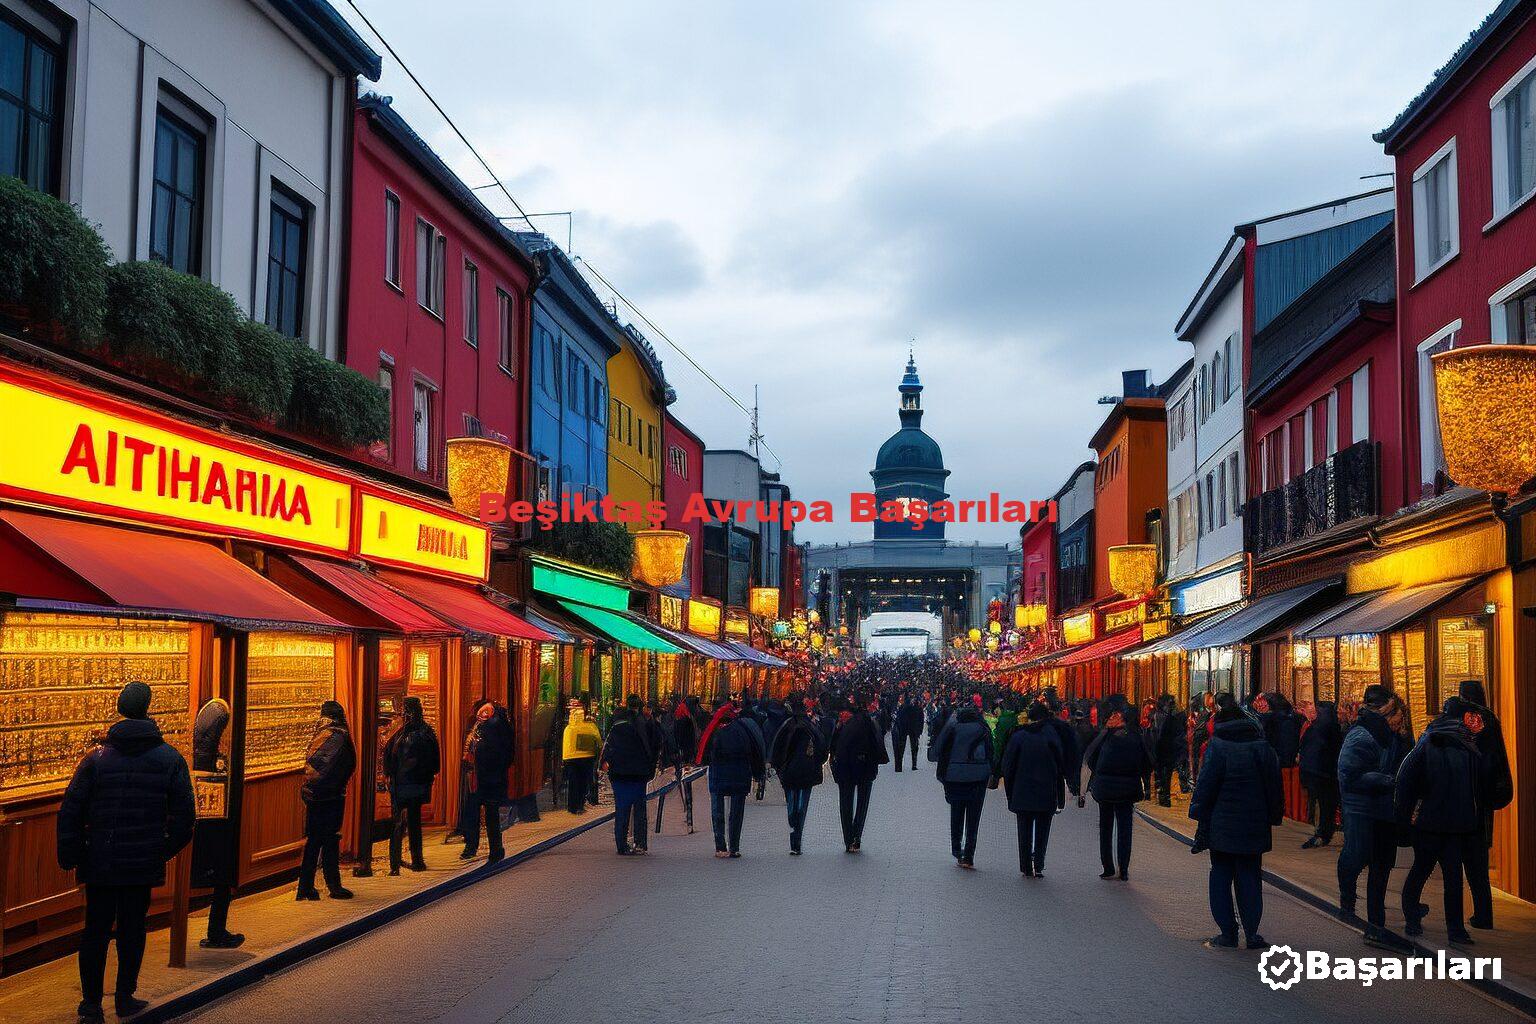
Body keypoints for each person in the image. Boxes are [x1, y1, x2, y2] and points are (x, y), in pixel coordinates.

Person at [57, 682, 195, 1023]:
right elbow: (184, 819)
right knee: (133, 930)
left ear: (120, 710)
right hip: (141, 863)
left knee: (96, 930)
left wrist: (73, 854)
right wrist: (160, 850)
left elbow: (71, 809)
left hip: (100, 860)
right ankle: (124, 997)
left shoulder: (96, 759)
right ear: (148, 709)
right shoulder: (170, 759)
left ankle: (91, 1004)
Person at [1189, 704, 1283, 950]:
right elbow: (1274, 787)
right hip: (1254, 823)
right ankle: (1252, 933)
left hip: (1222, 824)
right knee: (1250, 876)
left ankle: (1228, 933)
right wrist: (1274, 817)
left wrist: (1198, 814)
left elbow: (1206, 785)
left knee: (1220, 876)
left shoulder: (1217, 747)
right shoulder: (1263, 748)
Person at [1396, 698, 1485, 944]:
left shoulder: (1429, 739)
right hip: (1453, 822)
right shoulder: (1465, 744)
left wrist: (1405, 816)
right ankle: (1455, 929)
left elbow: (1406, 780)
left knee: (1422, 870)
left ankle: (1413, 918)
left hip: (1431, 819)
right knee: (1452, 877)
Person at [1335, 686, 1412, 947]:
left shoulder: (1393, 737)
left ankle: (1376, 923)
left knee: (1381, 866)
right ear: (1387, 713)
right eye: (1399, 716)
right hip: (1361, 809)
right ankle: (1348, 900)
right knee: (1356, 857)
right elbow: (1349, 774)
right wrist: (1388, 780)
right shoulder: (1361, 736)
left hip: (1384, 810)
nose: (1401, 722)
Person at [1456, 681, 1512, 930]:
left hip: (1472, 797)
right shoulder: (1490, 719)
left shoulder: (1473, 720)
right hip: (1486, 798)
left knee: (1472, 860)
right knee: (1478, 859)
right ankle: (1483, 913)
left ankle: (1482, 914)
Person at [190, 697, 242, 949]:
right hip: (218, 821)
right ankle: (216, 931)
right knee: (222, 873)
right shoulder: (216, 765)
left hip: (209, 819)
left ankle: (216, 930)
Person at [296, 701, 356, 901]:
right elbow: (330, 767)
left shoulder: (322, 733)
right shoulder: (337, 736)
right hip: (329, 796)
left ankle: (306, 887)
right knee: (329, 840)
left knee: (314, 842)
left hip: (315, 795)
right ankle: (332, 886)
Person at [1000, 702, 1066, 877]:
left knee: (1024, 830)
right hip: (1046, 791)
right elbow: (1060, 767)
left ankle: (1025, 866)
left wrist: (1010, 792)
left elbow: (1008, 766)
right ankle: (1039, 864)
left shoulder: (1018, 737)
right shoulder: (1052, 736)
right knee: (1043, 830)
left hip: (1022, 791)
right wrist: (1060, 795)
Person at [1083, 709, 1150, 880]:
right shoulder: (1135, 737)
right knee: (1125, 829)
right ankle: (1123, 869)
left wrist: (1099, 773)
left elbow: (1091, 758)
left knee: (1105, 828)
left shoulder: (1104, 736)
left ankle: (1108, 867)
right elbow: (1146, 762)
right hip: (1128, 789)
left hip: (1105, 788)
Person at [932, 698, 995, 868]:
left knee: (957, 813)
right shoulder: (983, 728)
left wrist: (943, 774)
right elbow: (991, 752)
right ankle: (969, 855)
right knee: (974, 818)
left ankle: (956, 849)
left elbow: (941, 752)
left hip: (955, 776)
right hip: (978, 777)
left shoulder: (954, 727)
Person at [697, 700, 763, 858]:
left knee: (717, 811)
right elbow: (753, 752)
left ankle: (720, 847)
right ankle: (734, 847)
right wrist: (757, 773)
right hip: (740, 776)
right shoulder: (744, 730)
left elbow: (708, 755)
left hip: (719, 776)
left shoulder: (715, 732)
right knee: (736, 813)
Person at [383, 696, 440, 875]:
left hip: (402, 784)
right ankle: (417, 860)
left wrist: (389, 775)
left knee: (398, 824)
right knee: (414, 823)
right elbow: (435, 762)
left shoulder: (401, 733)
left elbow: (389, 756)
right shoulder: (426, 732)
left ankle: (395, 864)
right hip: (418, 784)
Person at [770, 697, 829, 854]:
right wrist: (816, 764)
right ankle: (797, 838)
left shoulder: (787, 726)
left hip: (789, 772)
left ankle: (793, 826)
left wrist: (778, 767)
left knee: (792, 801)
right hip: (807, 773)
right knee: (802, 805)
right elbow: (822, 749)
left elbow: (777, 748)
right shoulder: (812, 727)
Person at [601, 696, 657, 855]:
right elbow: (654, 745)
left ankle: (621, 844)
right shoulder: (644, 725)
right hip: (638, 774)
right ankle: (640, 843)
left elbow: (609, 750)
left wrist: (606, 765)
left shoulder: (617, 728)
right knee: (639, 810)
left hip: (619, 775)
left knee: (622, 809)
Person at [831, 698, 887, 852]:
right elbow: (878, 745)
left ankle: (849, 839)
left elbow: (833, 747)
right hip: (865, 769)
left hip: (845, 770)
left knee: (846, 804)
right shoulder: (870, 723)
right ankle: (856, 836)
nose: (842, 716)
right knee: (862, 803)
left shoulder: (843, 727)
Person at [461, 701, 513, 863]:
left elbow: (495, 753)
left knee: (482, 813)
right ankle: (494, 849)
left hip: (485, 777)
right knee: (487, 814)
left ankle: (476, 848)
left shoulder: (490, 728)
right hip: (485, 776)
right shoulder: (496, 727)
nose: (480, 715)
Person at [1297, 701, 1343, 849]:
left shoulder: (1316, 728)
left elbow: (1307, 750)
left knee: (1322, 804)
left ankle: (1321, 834)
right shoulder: (1333, 728)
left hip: (1317, 773)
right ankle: (1323, 833)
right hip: (1328, 774)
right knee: (1327, 805)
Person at [561, 701, 602, 814]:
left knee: (573, 782)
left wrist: (564, 759)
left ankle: (572, 806)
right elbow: (598, 741)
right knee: (583, 782)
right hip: (587, 757)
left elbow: (566, 745)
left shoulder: (568, 728)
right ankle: (580, 804)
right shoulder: (590, 726)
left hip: (570, 758)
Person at [1149, 694, 1187, 807]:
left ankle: (1163, 795)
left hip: (1163, 748)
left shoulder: (1160, 716)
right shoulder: (1169, 717)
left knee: (1163, 773)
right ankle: (1164, 796)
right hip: (1167, 748)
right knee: (1165, 773)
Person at [893, 693, 925, 772]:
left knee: (901, 748)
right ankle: (914, 765)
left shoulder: (903, 707)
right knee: (914, 748)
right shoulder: (917, 708)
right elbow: (921, 720)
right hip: (913, 729)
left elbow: (899, 718)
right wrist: (919, 731)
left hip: (904, 729)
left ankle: (899, 766)